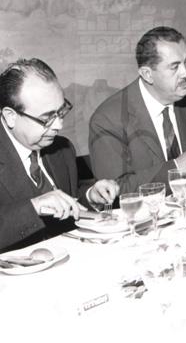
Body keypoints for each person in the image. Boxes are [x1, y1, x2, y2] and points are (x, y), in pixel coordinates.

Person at [0, 59, 118, 251]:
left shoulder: (62, 150)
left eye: (61, 112)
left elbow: (67, 207)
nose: (59, 126)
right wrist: (34, 206)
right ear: (10, 116)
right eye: (46, 118)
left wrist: (90, 196)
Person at [89, 27, 186, 194]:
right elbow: (115, 190)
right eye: (174, 67)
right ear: (147, 74)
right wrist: (177, 167)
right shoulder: (108, 119)